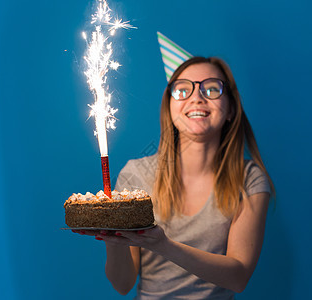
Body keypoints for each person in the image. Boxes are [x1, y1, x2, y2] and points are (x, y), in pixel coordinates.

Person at [73, 56, 275, 299]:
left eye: (212, 89)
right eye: (182, 91)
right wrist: (113, 240)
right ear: (169, 108)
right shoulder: (136, 176)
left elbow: (238, 278)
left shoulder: (249, 180)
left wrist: (163, 245)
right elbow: (123, 284)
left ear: (231, 108)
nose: (196, 97)